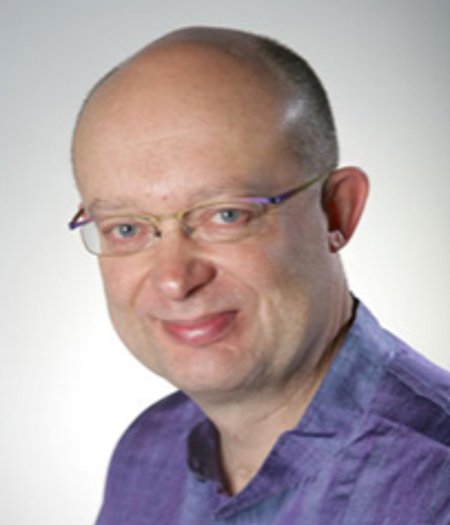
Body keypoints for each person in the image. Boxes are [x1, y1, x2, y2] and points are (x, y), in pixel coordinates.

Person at [69, 26, 450, 524]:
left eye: (227, 215)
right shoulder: (146, 456)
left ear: (336, 211)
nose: (174, 280)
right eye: (126, 228)